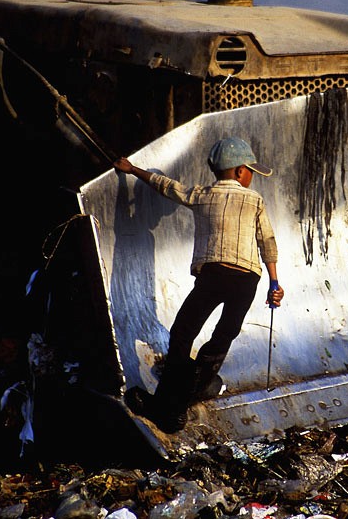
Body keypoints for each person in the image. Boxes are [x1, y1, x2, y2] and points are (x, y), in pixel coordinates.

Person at [113, 137, 285, 433]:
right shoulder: (254, 200)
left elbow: (167, 186)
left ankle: (170, 407)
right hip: (247, 280)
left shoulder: (202, 194)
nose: (252, 176)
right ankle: (195, 389)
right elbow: (266, 240)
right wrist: (275, 282)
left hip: (214, 276)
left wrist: (133, 170)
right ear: (240, 171)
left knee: (182, 334)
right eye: (251, 171)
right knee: (223, 337)